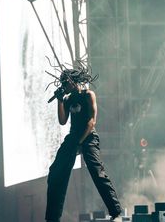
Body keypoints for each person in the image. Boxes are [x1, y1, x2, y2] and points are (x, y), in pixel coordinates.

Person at [45, 66, 122, 222]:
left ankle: (116, 212)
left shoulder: (88, 95)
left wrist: (79, 143)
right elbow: (62, 121)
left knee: (97, 172)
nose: (63, 86)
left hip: (88, 136)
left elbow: (91, 122)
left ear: (73, 81)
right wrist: (59, 101)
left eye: (65, 82)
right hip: (73, 137)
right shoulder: (67, 99)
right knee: (55, 172)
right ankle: (52, 218)